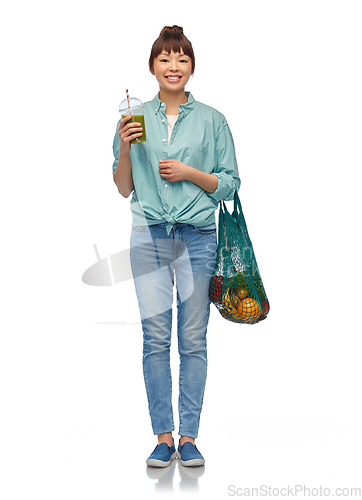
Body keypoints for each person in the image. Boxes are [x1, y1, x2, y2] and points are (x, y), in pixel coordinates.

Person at [112, 25, 240, 467]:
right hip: (149, 235)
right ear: (152, 67)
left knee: (192, 339)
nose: (173, 66)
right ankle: (163, 437)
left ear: (192, 68)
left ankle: (189, 437)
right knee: (155, 339)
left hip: (199, 238)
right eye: (165, 59)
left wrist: (189, 172)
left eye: (181, 59)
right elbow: (124, 187)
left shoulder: (212, 120)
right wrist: (126, 150)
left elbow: (229, 183)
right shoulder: (133, 118)